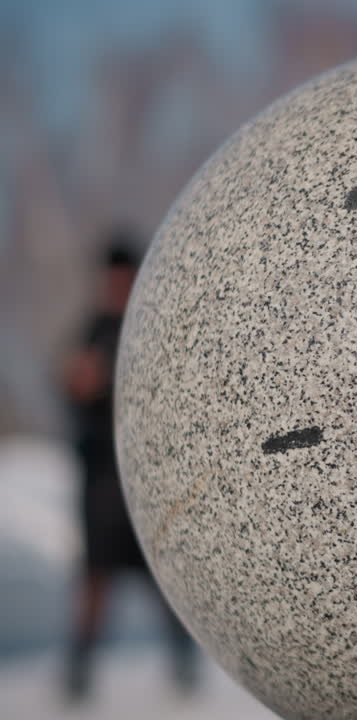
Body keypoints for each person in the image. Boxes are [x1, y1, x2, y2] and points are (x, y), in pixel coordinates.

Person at [63, 228, 197, 702]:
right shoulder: (93, 329)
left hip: (141, 484)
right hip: (101, 481)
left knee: (163, 579)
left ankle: (185, 661)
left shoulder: (148, 325)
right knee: (95, 582)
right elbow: (73, 383)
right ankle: (79, 669)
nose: (118, 287)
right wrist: (85, 380)